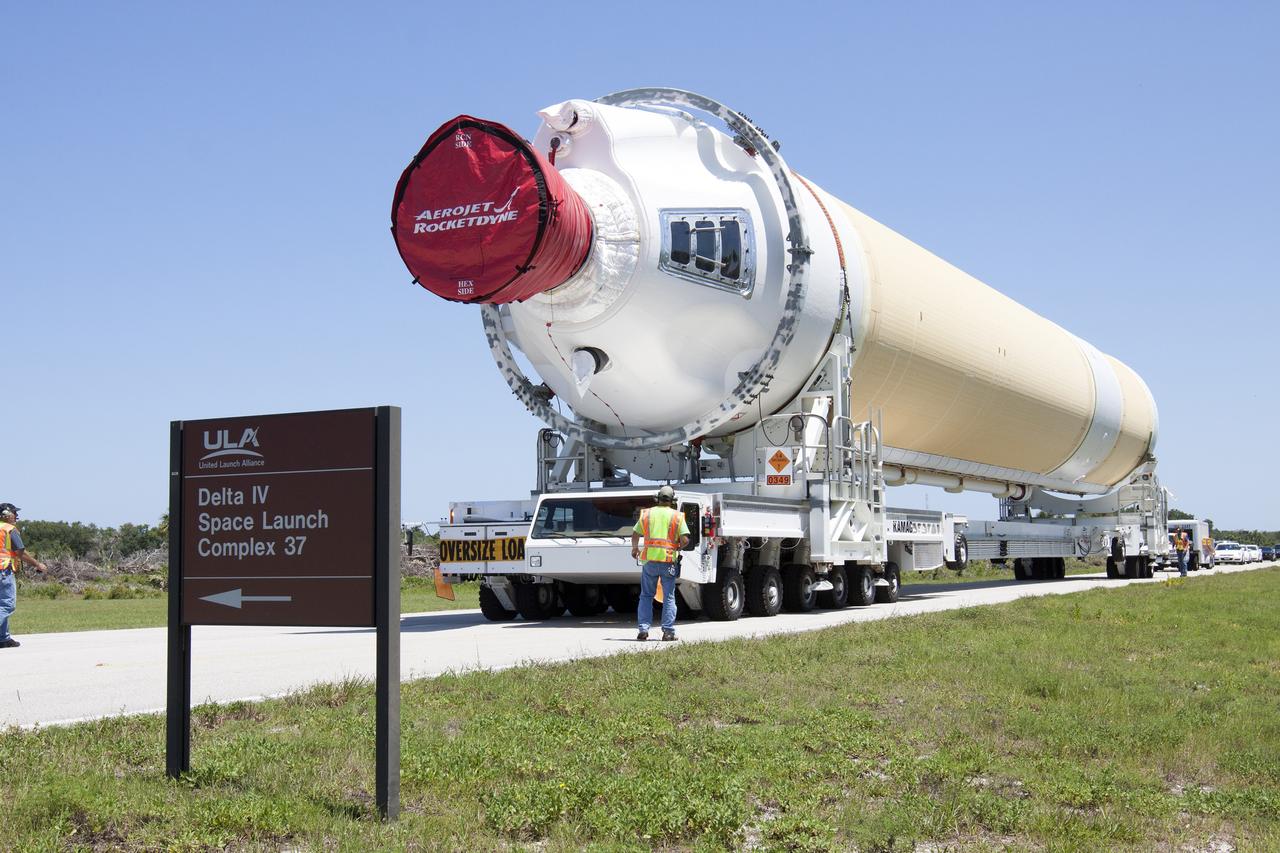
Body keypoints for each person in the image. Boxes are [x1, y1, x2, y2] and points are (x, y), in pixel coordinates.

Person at [630, 485, 689, 642]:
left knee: (646, 595)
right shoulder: (677, 516)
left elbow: (635, 534)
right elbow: (685, 540)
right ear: (672, 500)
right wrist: (677, 547)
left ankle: (643, 629)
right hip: (668, 561)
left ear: (657, 498)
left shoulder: (647, 514)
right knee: (669, 597)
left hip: (649, 561)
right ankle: (668, 632)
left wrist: (635, 548)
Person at [0, 502, 48, 649]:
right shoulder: (9, 529)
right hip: (3, 570)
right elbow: (21, 552)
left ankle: (3, 639)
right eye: (14, 513)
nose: (16, 516)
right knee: (7, 605)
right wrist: (37, 564)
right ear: (6, 515)